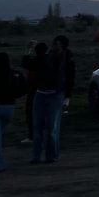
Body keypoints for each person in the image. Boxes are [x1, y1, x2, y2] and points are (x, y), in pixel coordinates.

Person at [31, 35, 74, 163]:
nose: (54, 45)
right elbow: (31, 65)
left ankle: (51, 155)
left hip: (55, 94)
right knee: (39, 126)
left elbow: (70, 77)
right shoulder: (47, 57)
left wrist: (68, 96)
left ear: (62, 45)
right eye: (54, 43)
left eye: (56, 43)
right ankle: (38, 156)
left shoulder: (67, 58)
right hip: (43, 93)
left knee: (51, 127)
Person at [19, 40, 45, 144]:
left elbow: (24, 64)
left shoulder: (35, 62)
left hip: (34, 90)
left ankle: (32, 136)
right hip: (45, 90)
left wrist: (28, 50)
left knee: (30, 113)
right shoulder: (49, 60)